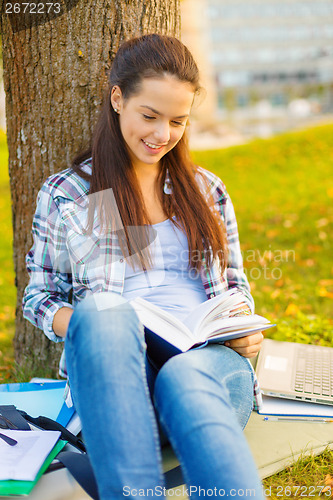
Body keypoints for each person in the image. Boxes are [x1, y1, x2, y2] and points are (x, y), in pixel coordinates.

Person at [23, 34, 265, 499]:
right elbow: (39, 297)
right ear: (118, 99)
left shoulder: (206, 190)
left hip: (205, 371)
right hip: (118, 376)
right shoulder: (72, 193)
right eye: (149, 116)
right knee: (103, 314)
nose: (161, 135)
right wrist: (95, 326)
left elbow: (234, 287)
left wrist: (241, 328)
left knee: (184, 374)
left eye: (178, 121)